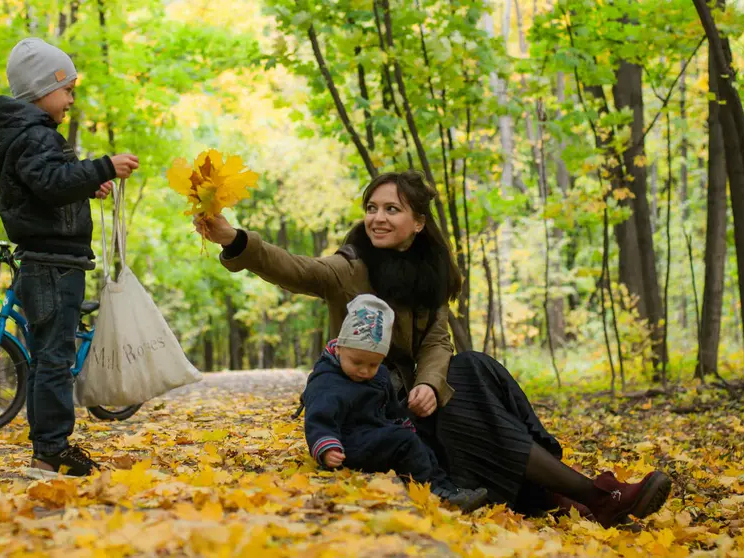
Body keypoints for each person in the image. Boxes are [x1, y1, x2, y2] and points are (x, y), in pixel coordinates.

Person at [196, 170, 672, 527]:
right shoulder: (351, 267)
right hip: (377, 405)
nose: (377, 217)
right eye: (373, 207)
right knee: (468, 377)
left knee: (477, 368)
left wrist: (428, 382)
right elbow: (298, 270)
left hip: (417, 396)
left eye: (392, 209)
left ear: (418, 222)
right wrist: (235, 239)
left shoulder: (430, 273)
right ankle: (592, 494)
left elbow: (437, 340)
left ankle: (558, 489)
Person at [0, 37, 139, 477]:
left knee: (47, 356)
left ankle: (47, 448)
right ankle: (51, 450)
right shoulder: (33, 135)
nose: (70, 98)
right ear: (41, 89)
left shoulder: (30, 135)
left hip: (54, 261)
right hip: (51, 264)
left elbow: (47, 188)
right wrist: (103, 166)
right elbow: (50, 182)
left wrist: (86, 185)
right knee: (54, 357)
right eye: (66, 89)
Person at [303, 294, 492, 513]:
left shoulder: (380, 376)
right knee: (403, 441)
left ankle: (449, 488)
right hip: (346, 442)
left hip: (375, 435)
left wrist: (404, 422)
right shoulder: (327, 381)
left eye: (373, 364)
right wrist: (326, 447)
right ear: (339, 349)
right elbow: (318, 418)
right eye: (357, 362)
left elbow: (391, 409)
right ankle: (432, 491)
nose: (364, 371)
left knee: (419, 443)